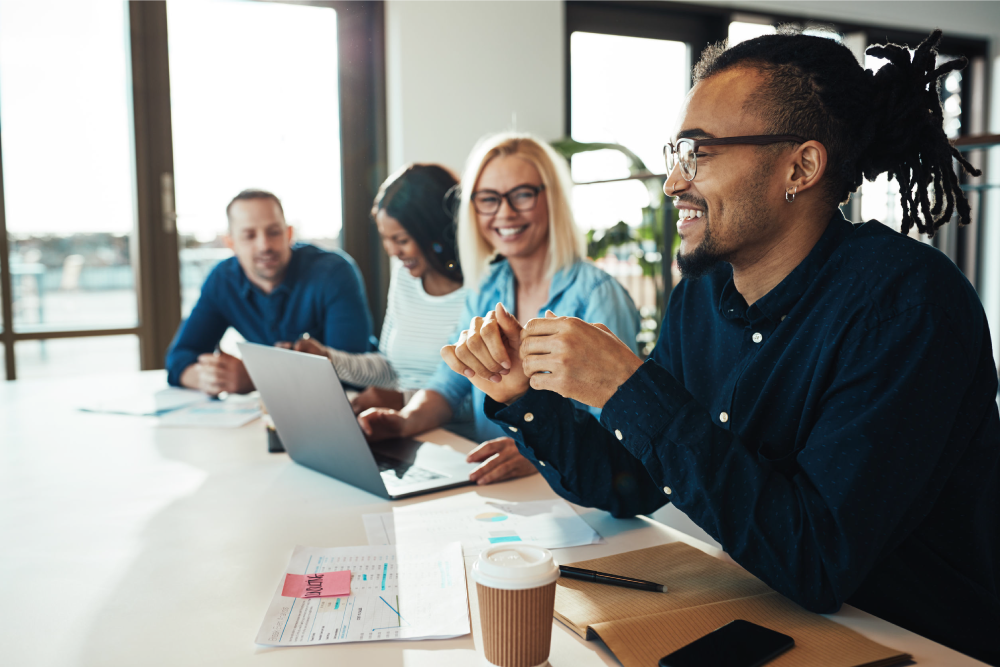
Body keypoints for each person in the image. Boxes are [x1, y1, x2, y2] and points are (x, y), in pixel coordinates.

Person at [444, 30, 1000, 664]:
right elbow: (629, 485)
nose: (673, 180)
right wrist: (524, 397)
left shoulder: (908, 307)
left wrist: (630, 390)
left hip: (917, 643)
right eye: (677, 151)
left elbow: (819, 559)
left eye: (698, 152)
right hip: (763, 610)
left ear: (800, 168)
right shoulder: (702, 297)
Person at [359, 132, 641, 485]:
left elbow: (621, 425)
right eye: (489, 199)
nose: (504, 213)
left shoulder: (598, 295)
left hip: (574, 491)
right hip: (493, 485)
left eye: (522, 195)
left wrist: (536, 450)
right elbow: (449, 383)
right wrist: (405, 420)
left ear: (551, 199)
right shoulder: (487, 287)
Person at [284, 164, 468, 416]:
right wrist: (328, 359)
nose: (392, 251)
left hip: (453, 439)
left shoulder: (483, 292)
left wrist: (404, 401)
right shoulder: (406, 279)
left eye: (401, 240)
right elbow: (389, 369)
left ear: (435, 230)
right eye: (386, 238)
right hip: (403, 428)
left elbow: (485, 401)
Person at [165, 189, 373, 394]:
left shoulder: (333, 273)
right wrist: (208, 377)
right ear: (231, 243)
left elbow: (352, 374)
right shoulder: (223, 280)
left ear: (289, 234)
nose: (264, 245)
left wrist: (258, 377)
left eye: (274, 232)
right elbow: (178, 359)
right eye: (249, 235)